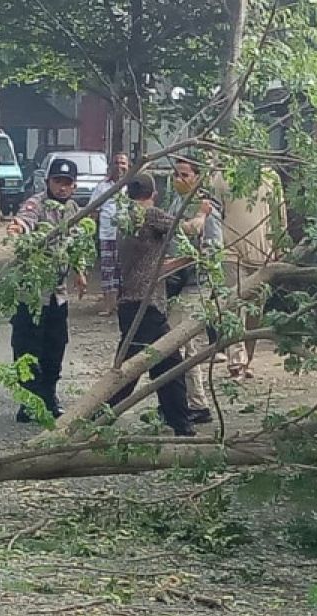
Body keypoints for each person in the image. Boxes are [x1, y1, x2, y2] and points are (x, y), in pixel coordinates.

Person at [106, 172, 205, 437]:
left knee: (169, 365)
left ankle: (180, 423)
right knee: (128, 372)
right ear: (154, 194)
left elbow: (149, 267)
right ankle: (96, 418)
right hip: (144, 305)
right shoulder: (149, 216)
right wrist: (203, 213)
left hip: (134, 302)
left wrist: (186, 260)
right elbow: (188, 228)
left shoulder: (125, 220)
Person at [6, 157, 89, 422]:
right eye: (57, 182)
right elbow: (25, 220)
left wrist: (81, 271)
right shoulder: (37, 203)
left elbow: (76, 244)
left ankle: (49, 396)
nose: (62, 188)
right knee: (27, 348)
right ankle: (28, 401)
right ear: (48, 182)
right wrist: (17, 228)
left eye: (67, 183)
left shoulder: (74, 209)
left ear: (73, 186)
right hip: (32, 293)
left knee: (55, 346)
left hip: (58, 294)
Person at [214, 166, 288, 380]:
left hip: (263, 253)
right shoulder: (223, 174)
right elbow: (214, 212)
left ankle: (248, 359)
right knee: (234, 305)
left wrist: (281, 245)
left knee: (256, 310)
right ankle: (236, 363)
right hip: (231, 251)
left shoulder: (270, 176)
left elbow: (279, 213)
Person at [166, 156, 223, 425]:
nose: (179, 180)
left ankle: (197, 404)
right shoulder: (178, 202)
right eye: (176, 175)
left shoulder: (206, 207)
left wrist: (192, 266)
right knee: (178, 344)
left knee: (183, 343)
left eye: (185, 175)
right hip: (175, 281)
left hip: (195, 283)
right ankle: (184, 400)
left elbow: (213, 249)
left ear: (197, 177)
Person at [91, 152, 130, 316]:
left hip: (126, 235)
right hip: (107, 234)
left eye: (123, 163)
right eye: (116, 162)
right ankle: (109, 306)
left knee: (124, 270)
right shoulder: (103, 186)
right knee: (108, 270)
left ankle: (123, 305)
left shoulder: (132, 186)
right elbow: (93, 209)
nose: (119, 166)